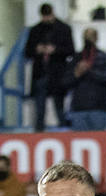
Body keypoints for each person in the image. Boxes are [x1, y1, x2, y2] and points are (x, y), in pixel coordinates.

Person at [25, 2, 74, 131]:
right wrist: (37, 50)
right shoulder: (35, 30)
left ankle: (63, 130)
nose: (46, 19)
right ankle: (39, 131)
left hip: (57, 73)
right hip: (41, 73)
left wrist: (55, 50)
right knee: (39, 108)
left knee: (59, 106)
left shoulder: (64, 29)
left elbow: (70, 50)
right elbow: (27, 52)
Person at [67, 27, 106, 132]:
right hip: (79, 108)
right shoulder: (76, 58)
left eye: (91, 36)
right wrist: (77, 74)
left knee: (100, 142)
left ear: (96, 38)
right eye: (86, 37)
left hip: (98, 107)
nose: (88, 40)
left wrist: (89, 71)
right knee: (79, 143)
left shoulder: (104, 57)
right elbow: (66, 81)